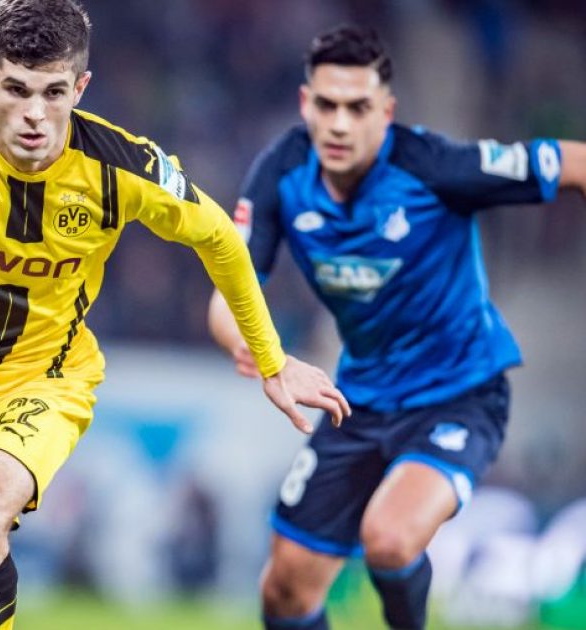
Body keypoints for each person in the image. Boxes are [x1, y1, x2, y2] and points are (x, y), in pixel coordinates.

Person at [0, 1, 349, 628]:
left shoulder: (117, 164)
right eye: (16, 89)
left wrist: (272, 359)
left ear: (80, 88)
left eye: (54, 93)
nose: (35, 114)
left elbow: (220, 239)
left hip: (44, 378)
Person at [206, 24, 586, 630]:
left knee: (388, 538)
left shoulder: (433, 165)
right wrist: (264, 352)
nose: (339, 124)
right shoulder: (281, 173)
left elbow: (573, 162)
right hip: (360, 402)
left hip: (460, 396)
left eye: (357, 108)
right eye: (327, 105)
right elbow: (227, 298)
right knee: (284, 590)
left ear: (386, 112)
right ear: (306, 104)